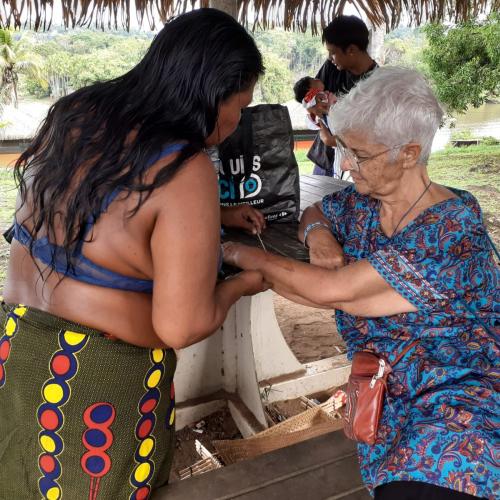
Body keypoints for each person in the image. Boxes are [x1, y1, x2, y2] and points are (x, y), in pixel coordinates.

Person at [0, 9, 267, 498]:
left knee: (19, 478)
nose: (235, 123)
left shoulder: (76, 113)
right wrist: (245, 283)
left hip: (18, 344)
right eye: (240, 104)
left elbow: (100, 208)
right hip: (97, 380)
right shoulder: (185, 168)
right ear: (214, 91)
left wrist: (215, 217)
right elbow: (180, 326)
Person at [223, 67, 499, 499]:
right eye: (345, 148)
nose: (347, 164)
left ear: (408, 154)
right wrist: (318, 234)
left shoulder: (451, 229)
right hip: (389, 394)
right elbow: (318, 213)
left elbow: (333, 291)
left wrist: (241, 255)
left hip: (460, 392)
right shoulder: (365, 203)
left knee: (430, 480)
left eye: (360, 154)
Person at [308, 15, 377, 177]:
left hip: (356, 163)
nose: (330, 58)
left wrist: (333, 141)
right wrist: (314, 108)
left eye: (333, 53)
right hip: (325, 159)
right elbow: (309, 98)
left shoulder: (376, 83)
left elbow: (371, 136)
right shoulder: (331, 67)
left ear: (351, 50)